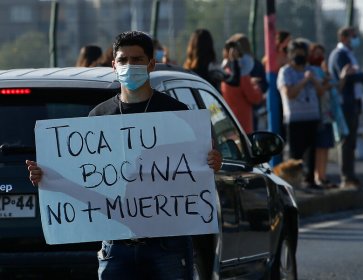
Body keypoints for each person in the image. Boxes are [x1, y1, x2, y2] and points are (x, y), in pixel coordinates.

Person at [26, 31, 222, 280]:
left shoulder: (177, 114)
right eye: (123, 60)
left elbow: (199, 166)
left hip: (168, 246)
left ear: (151, 64)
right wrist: (46, 176)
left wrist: (214, 162)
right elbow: (83, 176)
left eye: (137, 59)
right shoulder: (98, 117)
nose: (130, 66)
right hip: (115, 246)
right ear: (114, 65)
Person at [277, 39, 324, 190]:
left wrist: (314, 80)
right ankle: (293, 183)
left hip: (312, 117)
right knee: (295, 153)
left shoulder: (311, 70)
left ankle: (310, 180)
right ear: (290, 55)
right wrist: (305, 80)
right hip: (295, 119)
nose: (299, 57)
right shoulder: (285, 71)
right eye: (296, 54)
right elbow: (289, 93)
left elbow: (321, 92)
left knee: (311, 152)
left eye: (302, 54)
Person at [328, 26, 363, 188]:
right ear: (344, 37)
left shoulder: (349, 54)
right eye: (353, 36)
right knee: (347, 140)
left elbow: (358, 78)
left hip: (354, 101)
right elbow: (347, 78)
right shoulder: (339, 55)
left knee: (351, 140)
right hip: (345, 103)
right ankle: (347, 175)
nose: (356, 38)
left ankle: (350, 174)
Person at [308, 43, 337, 188]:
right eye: (316, 54)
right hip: (317, 113)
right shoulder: (311, 70)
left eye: (321, 54)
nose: (319, 57)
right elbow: (319, 90)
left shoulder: (321, 70)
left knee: (325, 146)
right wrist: (327, 84)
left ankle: (323, 175)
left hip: (326, 112)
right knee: (319, 146)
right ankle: (318, 175)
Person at [221, 38, 264, 134]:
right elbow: (255, 98)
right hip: (243, 122)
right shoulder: (243, 75)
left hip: (229, 120)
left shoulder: (224, 73)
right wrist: (256, 86)